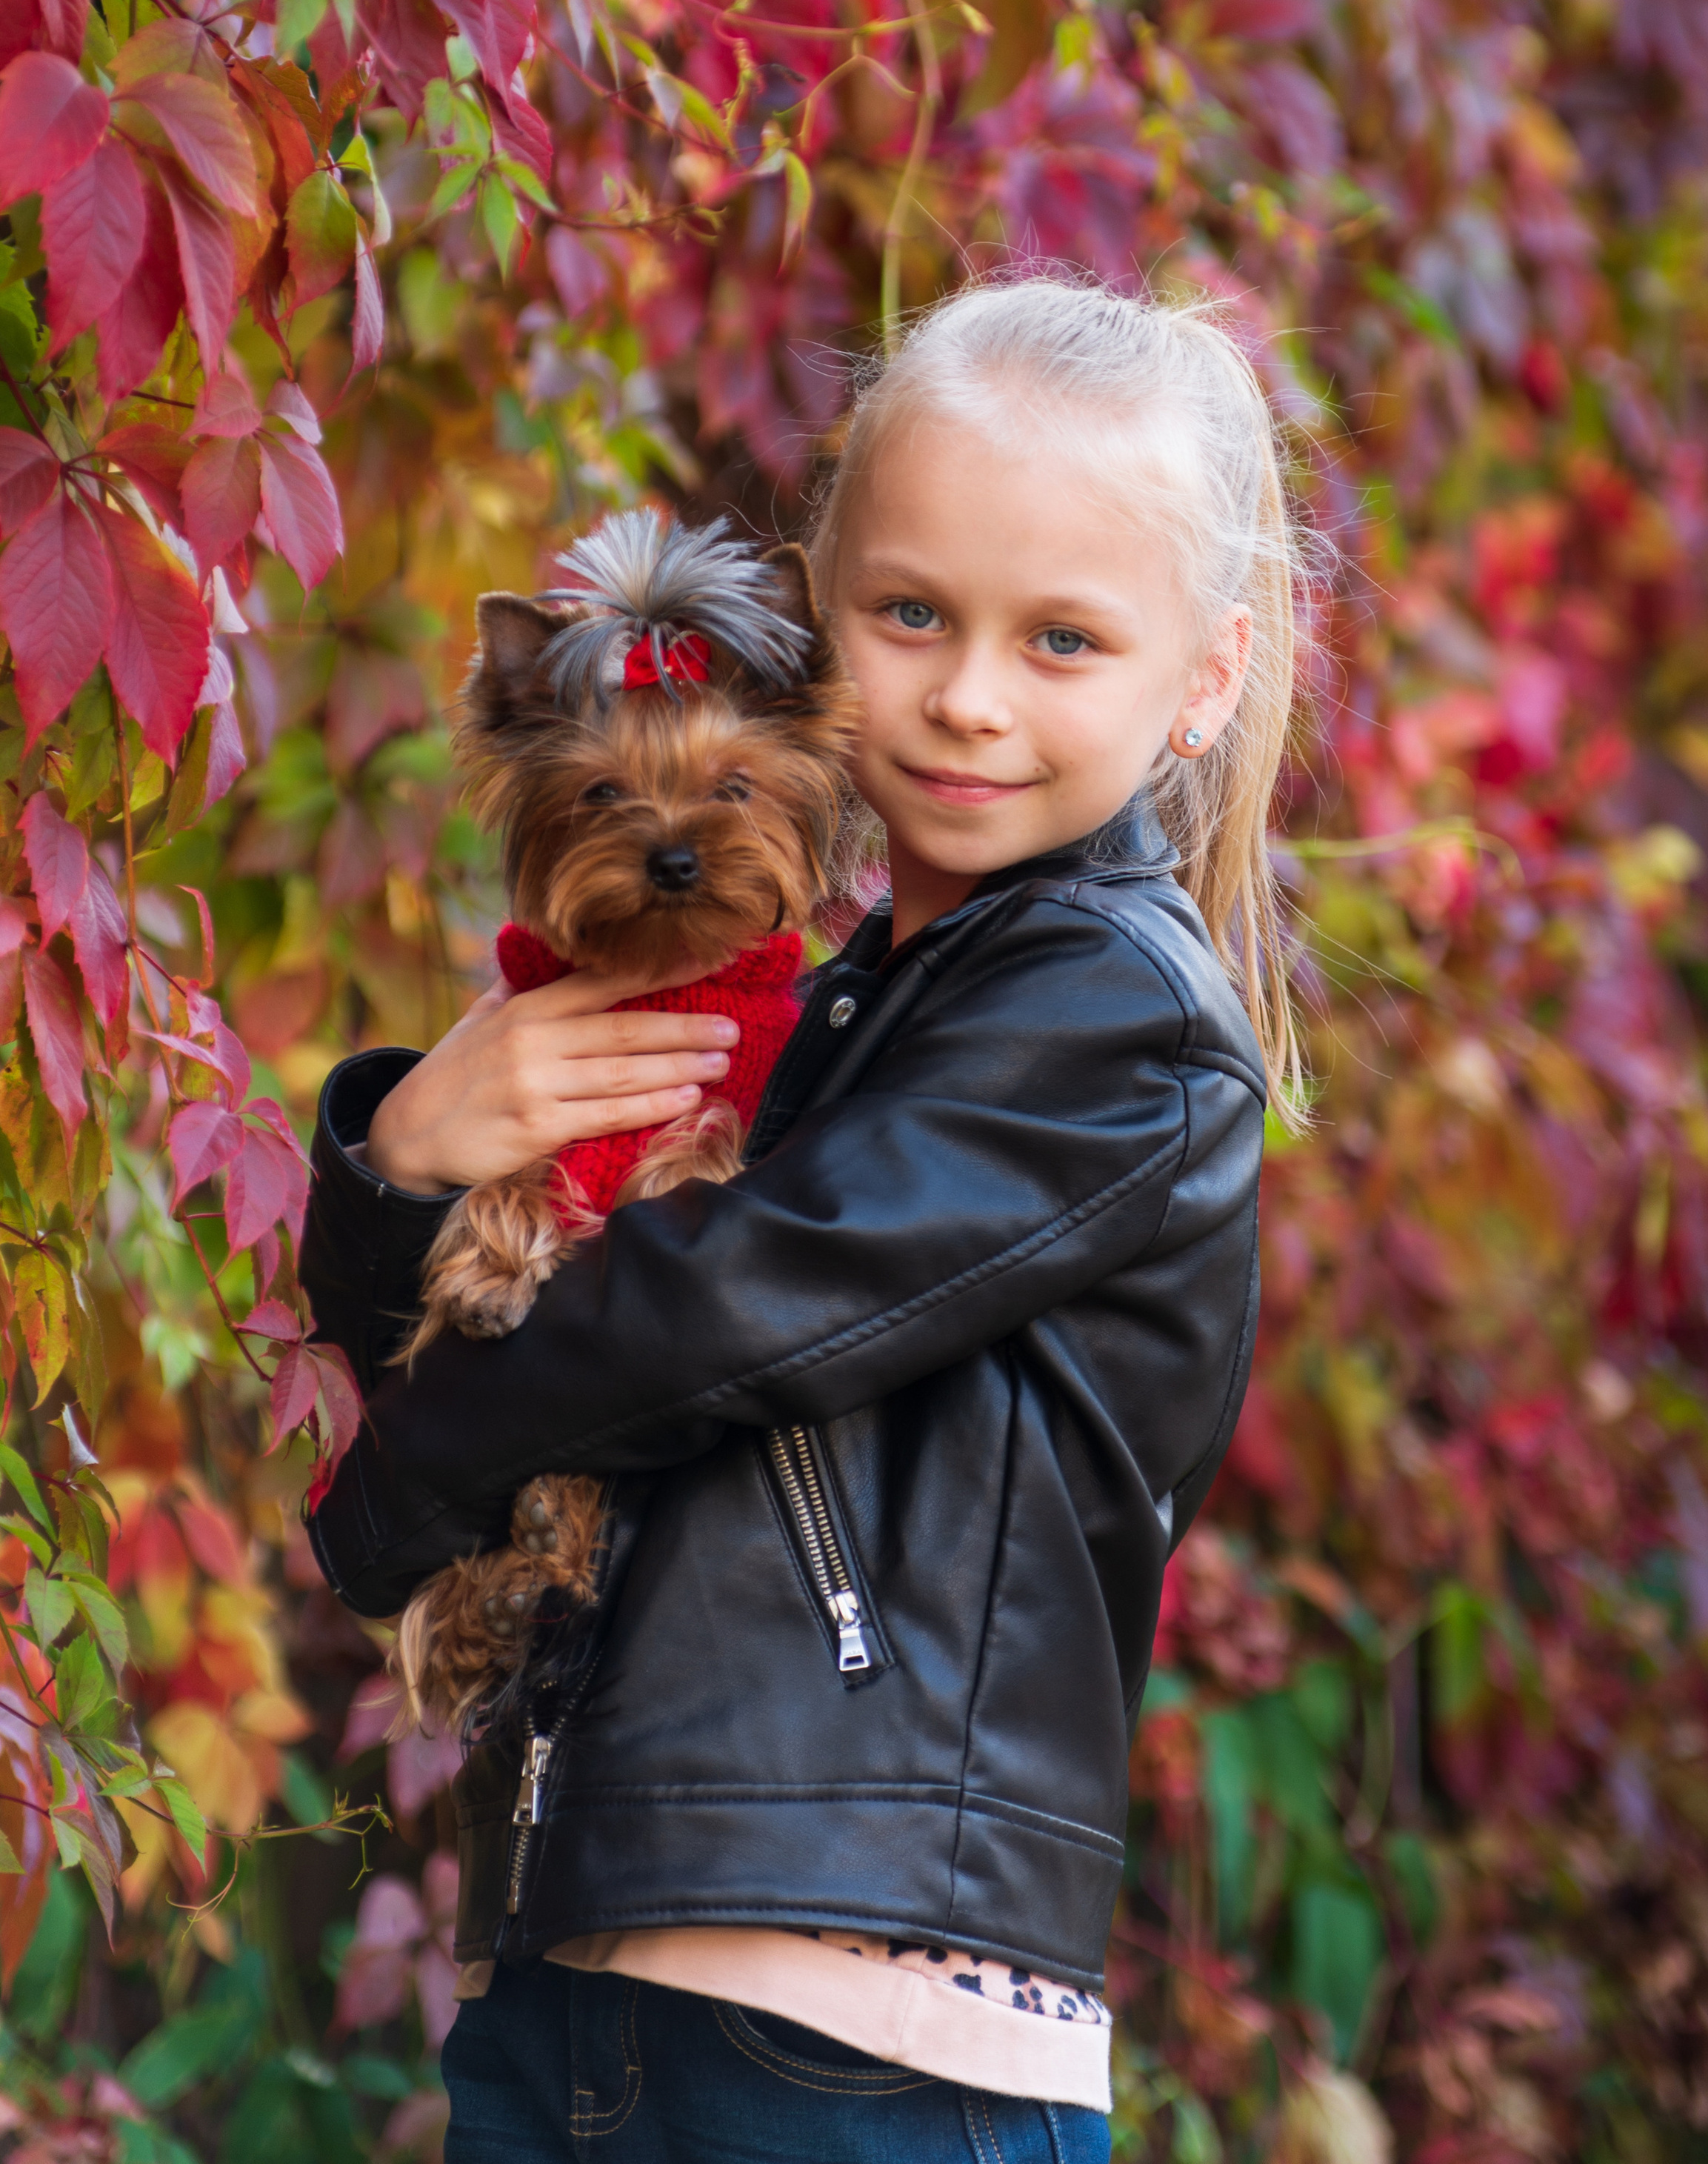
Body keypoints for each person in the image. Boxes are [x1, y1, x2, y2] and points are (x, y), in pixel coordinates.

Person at [300, 277, 1303, 2164]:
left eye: (1063, 638)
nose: (969, 694)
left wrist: (386, 1498)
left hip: (868, 2028)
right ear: (817, 621)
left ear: (1204, 677)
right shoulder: (837, 1006)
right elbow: (514, 1329)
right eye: (910, 611)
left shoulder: (1117, 1015)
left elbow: (713, 1318)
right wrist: (409, 1156)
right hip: (606, 1958)